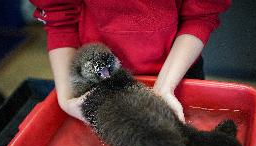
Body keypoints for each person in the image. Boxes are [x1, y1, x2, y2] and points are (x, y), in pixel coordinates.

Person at [29, 0, 231, 123]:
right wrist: (67, 99)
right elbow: (59, 17)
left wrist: (165, 87)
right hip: (97, 74)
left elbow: (201, 15)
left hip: (178, 70)